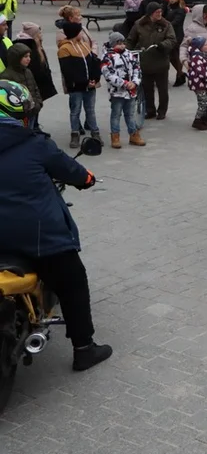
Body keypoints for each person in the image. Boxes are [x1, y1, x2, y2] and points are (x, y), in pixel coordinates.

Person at [0, 80, 112, 372]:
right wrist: (87, 179)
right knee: (73, 279)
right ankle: (84, 348)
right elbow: (74, 172)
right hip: (37, 236)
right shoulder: (34, 144)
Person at [57, 15, 102, 150]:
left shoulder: (84, 45)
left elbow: (93, 63)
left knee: (91, 111)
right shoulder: (64, 49)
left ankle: (95, 133)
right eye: (80, 31)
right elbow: (68, 71)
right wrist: (84, 82)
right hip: (76, 87)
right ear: (74, 33)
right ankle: (75, 134)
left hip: (90, 85)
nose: (82, 34)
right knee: (75, 111)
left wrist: (95, 79)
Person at [126, 2, 177, 120]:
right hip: (145, 62)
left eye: (160, 11)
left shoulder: (166, 25)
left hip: (161, 62)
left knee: (163, 89)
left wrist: (162, 45)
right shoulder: (139, 24)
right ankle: (150, 110)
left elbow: (172, 39)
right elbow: (131, 40)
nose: (159, 14)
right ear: (150, 13)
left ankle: (162, 110)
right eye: (157, 12)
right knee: (147, 89)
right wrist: (126, 50)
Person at [99, 32, 144, 148]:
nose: (122, 45)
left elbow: (137, 69)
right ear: (113, 44)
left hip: (131, 92)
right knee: (116, 114)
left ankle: (134, 135)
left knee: (130, 114)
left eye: (123, 43)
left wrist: (134, 82)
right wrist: (124, 83)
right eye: (119, 43)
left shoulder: (129, 55)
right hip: (117, 92)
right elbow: (108, 75)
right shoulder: (107, 57)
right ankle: (115, 136)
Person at [14, 22, 58, 109]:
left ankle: (35, 122)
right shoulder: (31, 48)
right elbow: (35, 68)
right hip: (32, 84)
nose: (41, 35)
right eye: (39, 33)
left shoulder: (34, 45)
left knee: (35, 107)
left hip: (35, 84)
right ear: (34, 35)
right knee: (32, 107)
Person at [0, 42, 42, 128]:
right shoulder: (6, 76)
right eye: (25, 56)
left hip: (33, 111)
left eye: (29, 56)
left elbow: (35, 89)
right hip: (19, 116)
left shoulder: (28, 72)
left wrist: (38, 104)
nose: (29, 59)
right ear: (16, 58)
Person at [186, 37, 207, 131]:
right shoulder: (197, 57)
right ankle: (197, 120)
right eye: (205, 45)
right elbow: (201, 72)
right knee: (204, 102)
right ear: (200, 46)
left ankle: (203, 119)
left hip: (199, 83)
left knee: (203, 101)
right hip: (198, 84)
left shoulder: (199, 54)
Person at [166, 0, 188, 86]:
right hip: (169, 35)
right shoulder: (168, 8)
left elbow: (176, 22)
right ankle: (181, 73)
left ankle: (179, 75)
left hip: (177, 35)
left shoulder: (180, 10)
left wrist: (165, 25)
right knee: (171, 57)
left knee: (176, 56)